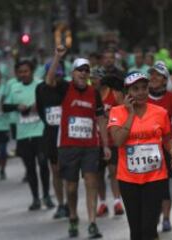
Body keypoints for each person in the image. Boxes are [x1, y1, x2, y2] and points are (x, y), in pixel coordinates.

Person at [46, 45, 111, 239]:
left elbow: (100, 118)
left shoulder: (94, 93)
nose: (83, 73)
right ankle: (73, 216)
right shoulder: (65, 88)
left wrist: (105, 145)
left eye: (86, 70)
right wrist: (57, 56)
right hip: (68, 146)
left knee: (92, 182)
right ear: (73, 73)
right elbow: (49, 80)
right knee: (72, 187)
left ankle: (92, 223)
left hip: (90, 146)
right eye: (80, 70)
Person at [108, 72, 172, 240]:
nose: (141, 92)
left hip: (155, 176)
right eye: (135, 89)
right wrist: (131, 114)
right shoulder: (117, 112)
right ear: (128, 93)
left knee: (149, 228)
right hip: (128, 179)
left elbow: (167, 137)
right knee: (136, 231)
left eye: (144, 88)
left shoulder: (160, 112)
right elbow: (118, 141)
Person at [3, 60, 54, 211]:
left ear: (32, 71)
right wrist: (17, 107)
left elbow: (52, 101)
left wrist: (39, 105)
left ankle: (46, 195)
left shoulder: (40, 84)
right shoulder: (14, 88)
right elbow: (5, 106)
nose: (23, 74)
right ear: (17, 73)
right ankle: (35, 198)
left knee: (43, 163)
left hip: (40, 131)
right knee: (30, 167)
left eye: (26, 71)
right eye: (20, 72)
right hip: (23, 134)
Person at [147, 62, 172, 232]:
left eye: (158, 75)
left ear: (165, 80)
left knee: (166, 183)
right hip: (148, 147)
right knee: (151, 184)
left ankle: (166, 218)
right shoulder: (142, 98)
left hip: (168, 146)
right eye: (152, 74)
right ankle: (153, 216)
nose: (153, 78)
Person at [90, 69, 125, 218]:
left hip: (112, 139)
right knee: (98, 174)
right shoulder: (90, 94)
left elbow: (124, 111)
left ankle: (117, 201)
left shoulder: (113, 94)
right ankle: (102, 203)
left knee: (113, 171)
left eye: (95, 79)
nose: (92, 82)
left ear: (102, 80)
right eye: (91, 79)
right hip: (95, 139)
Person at [36, 61, 69, 219]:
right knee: (55, 170)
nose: (57, 77)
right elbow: (41, 111)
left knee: (68, 171)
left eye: (59, 75)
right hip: (51, 133)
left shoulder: (67, 87)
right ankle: (61, 204)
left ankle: (70, 202)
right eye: (53, 74)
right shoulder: (41, 89)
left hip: (68, 134)